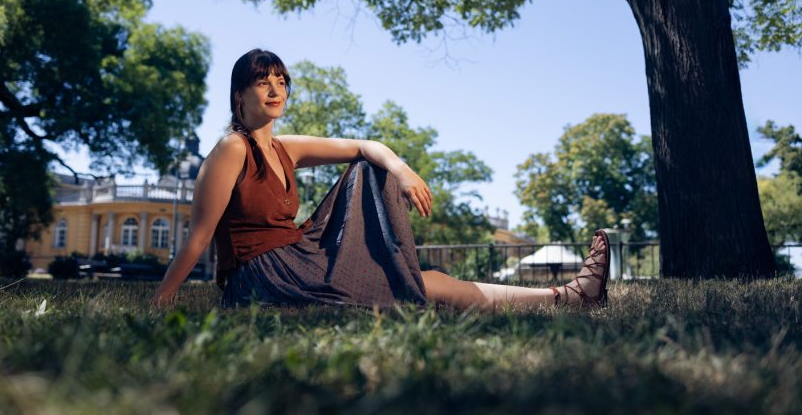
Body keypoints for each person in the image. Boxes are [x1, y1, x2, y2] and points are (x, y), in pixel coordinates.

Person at [152, 49, 609, 311]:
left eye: (281, 81)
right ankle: (568, 297)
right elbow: (200, 237)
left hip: (298, 257)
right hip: (265, 276)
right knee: (417, 282)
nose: (275, 90)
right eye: (262, 82)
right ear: (239, 95)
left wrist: (403, 170)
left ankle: (564, 297)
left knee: (413, 259)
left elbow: (365, 146)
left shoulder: (285, 148)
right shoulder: (233, 148)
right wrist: (161, 302)